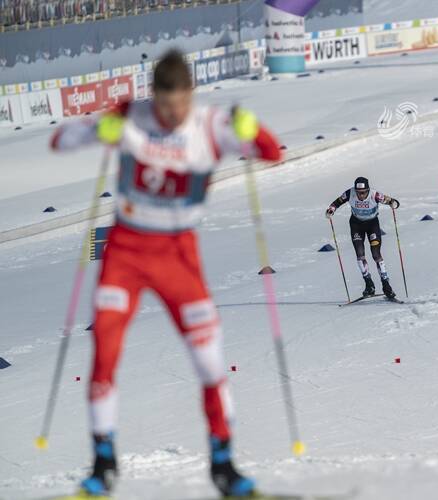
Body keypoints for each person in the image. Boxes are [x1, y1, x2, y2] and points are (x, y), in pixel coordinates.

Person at [50, 49, 282, 498]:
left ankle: (224, 464)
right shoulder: (133, 116)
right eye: (164, 106)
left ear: (191, 95)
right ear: (152, 96)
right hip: (127, 253)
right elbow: (61, 141)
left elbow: (271, 153)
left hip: (179, 258)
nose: (173, 115)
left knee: (210, 361)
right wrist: (104, 127)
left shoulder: (211, 125)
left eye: (180, 106)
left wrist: (253, 130)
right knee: (105, 354)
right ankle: (103, 465)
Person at [326, 177, 400, 300]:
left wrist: (393, 203)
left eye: (364, 192)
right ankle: (369, 284)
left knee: (376, 254)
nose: (361, 195)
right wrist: (331, 210)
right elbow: (337, 202)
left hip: (372, 225)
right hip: (356, 225)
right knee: (360, 255)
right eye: (359, 192)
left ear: (368, 190)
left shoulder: (374, 194)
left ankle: (386, 285)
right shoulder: (350, 193)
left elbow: (390, 200)